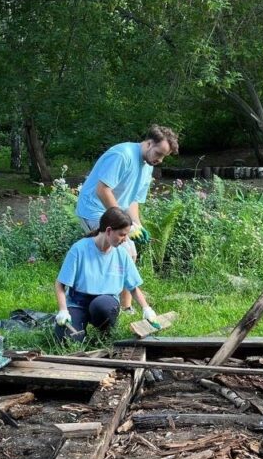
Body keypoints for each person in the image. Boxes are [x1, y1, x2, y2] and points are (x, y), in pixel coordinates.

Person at [75, 125, 179, 310]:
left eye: (164, 157)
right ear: (148, 143)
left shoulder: (147, 166)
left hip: (114, 214)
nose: (160, 160)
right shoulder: (122, 155)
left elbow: (132, 201)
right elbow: (102, 190)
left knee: (128, 253)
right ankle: (109, 304)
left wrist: (137, 225)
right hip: (93, 209)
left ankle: (122, 306)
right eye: (159, 153)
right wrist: (124, 224)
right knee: (124, 252)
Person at [54, 207, 157, 343]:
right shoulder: (79, 249)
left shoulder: (122, 254)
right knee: (66, 340)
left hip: (105, 303)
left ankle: (105, 333)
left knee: (102, 305)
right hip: (78, 302)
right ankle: (80, 332)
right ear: (108, 231)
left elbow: (133, 287)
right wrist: (63, 310)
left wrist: (146, 308)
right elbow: (60, 284)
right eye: (122, 234)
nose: (125, 239)